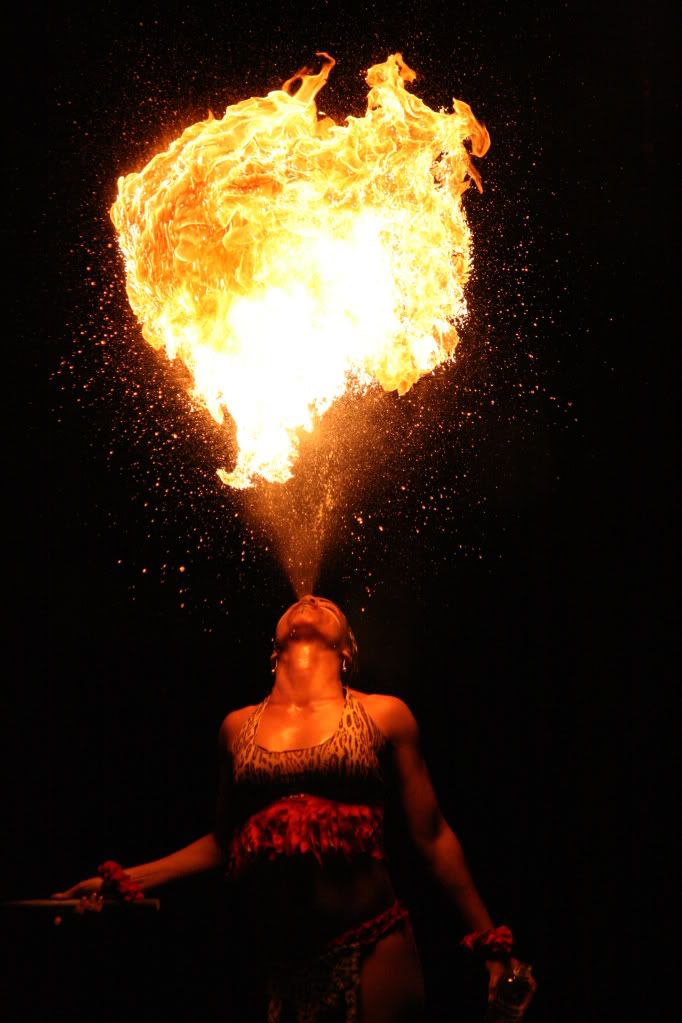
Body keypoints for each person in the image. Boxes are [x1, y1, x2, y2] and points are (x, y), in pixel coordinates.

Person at [53, 595, 528, 1022]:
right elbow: (225, 842)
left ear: (346, 652)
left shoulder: (384, 714)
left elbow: (433, 837)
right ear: (273, 647)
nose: (311, 598)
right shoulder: (236, 728)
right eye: (298, 604)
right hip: (284, 963)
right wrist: (121, 882)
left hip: (374, 945)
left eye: (330, 606)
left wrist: (491, 943)